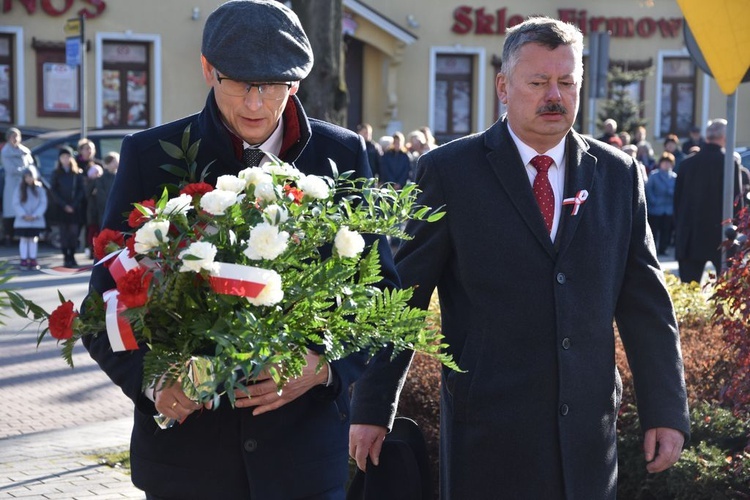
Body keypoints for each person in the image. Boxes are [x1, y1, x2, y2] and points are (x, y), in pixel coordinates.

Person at [349, 17, 689, 499]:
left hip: (587, 443)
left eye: (567, 82)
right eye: (539, 82)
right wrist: (372, 407)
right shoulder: (449, 172)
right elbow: (402, 298)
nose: (555, 95)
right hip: (487, 433)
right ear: (503, 87)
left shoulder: (617, 174)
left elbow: (646, 305)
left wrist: (666, 411)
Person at [83, 1, 397, 499]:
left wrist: (326, 367)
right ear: (208, 70)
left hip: (304, 464)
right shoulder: (151, 155)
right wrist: (153, 383)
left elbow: (382, 293)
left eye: (272, 85)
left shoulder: (342, 155)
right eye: (239, 83)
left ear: (295, 83)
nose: (255, 103)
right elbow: (104, 302)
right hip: (188, 464)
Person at [673, 118, 742, 284]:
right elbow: (737, 202)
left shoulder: (686, 164)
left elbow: (677, 201)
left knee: (689, 290)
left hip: (691, 235)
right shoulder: (728, 163)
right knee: (726, 291)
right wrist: (738, 231)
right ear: (724, 137)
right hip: (721, 235)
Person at [49, 146, 84, 267]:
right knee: (64, 233)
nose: (65, 159)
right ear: (59, 159)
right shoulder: (56, 173)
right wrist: (64, 205)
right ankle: (65, 257)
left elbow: (81, 190)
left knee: (74, 233)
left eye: (68, 156)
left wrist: (73, 205)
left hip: (74, 208)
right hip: (61, 208)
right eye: (63, 156)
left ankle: (72, 256)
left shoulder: (76, 173)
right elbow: (53, 191)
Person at [1, 127, 34, 246]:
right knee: (11, 211)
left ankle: (22, 235)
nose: (15, 139)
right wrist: (24, 171)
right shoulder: (5, 152)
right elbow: (10, 169)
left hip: (25, 184)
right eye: (12, 136)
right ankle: (8, 236)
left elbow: (31, 165)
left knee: (25, 209)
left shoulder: (25, 151)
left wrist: (29, 174)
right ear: (8, 138)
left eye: (17, 136)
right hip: (12, 184)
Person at [12, 167, 47, 270]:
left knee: (33, 239)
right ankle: (23, 259)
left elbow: (43, 203)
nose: (28, 179)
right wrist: (23, 215)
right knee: (23, 239)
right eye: (26, 177)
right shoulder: (19, 188)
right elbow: (16, 203)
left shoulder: (39, 189)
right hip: (22, 220)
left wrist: (35, 215)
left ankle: (32, 259)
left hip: (35, 219)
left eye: (30, 176)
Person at [76, 138, 103, 258]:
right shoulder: (76, 164)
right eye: (87, 148)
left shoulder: (98, 164)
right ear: (81, 150)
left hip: (93, 202)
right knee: (78, 226)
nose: (90, 151)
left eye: (92, 148)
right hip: (79, 200)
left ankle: (92, 248)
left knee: (92, 226)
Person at [646, 152, 677, 256]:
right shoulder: (654, 175)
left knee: (666, 230)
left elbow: (677, 191)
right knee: (654, 231)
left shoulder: (674, 177)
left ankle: (663, 248)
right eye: (664, 163)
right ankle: (652, 249)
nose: (666, 165)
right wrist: (653, 200)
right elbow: (648, 190)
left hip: (668, 208)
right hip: (655, 208)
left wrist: (671, 192)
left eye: (669, 163)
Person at [93, 152, 119, 229]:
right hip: (106, 211)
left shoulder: (120, 176)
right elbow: (101, 197)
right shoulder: (101, 179)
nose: (116, 163)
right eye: (113, 162)